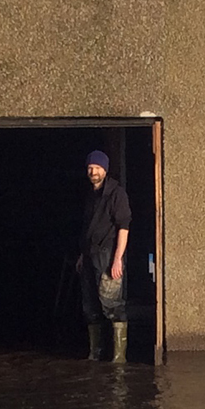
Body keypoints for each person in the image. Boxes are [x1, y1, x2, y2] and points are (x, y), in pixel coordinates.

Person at [78, 150, 131, 362]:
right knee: (90, 305)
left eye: (97, 168)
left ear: (105, 170)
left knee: (112, 304)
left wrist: (118, 258)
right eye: (90, 168)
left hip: (108, 255)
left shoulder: (116, 193)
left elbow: (124, 227)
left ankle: (119, 358)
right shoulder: (90, 195)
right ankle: (95, 353)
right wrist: (82, 255)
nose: (93, 172)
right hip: (89, 255)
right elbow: (86, 228)